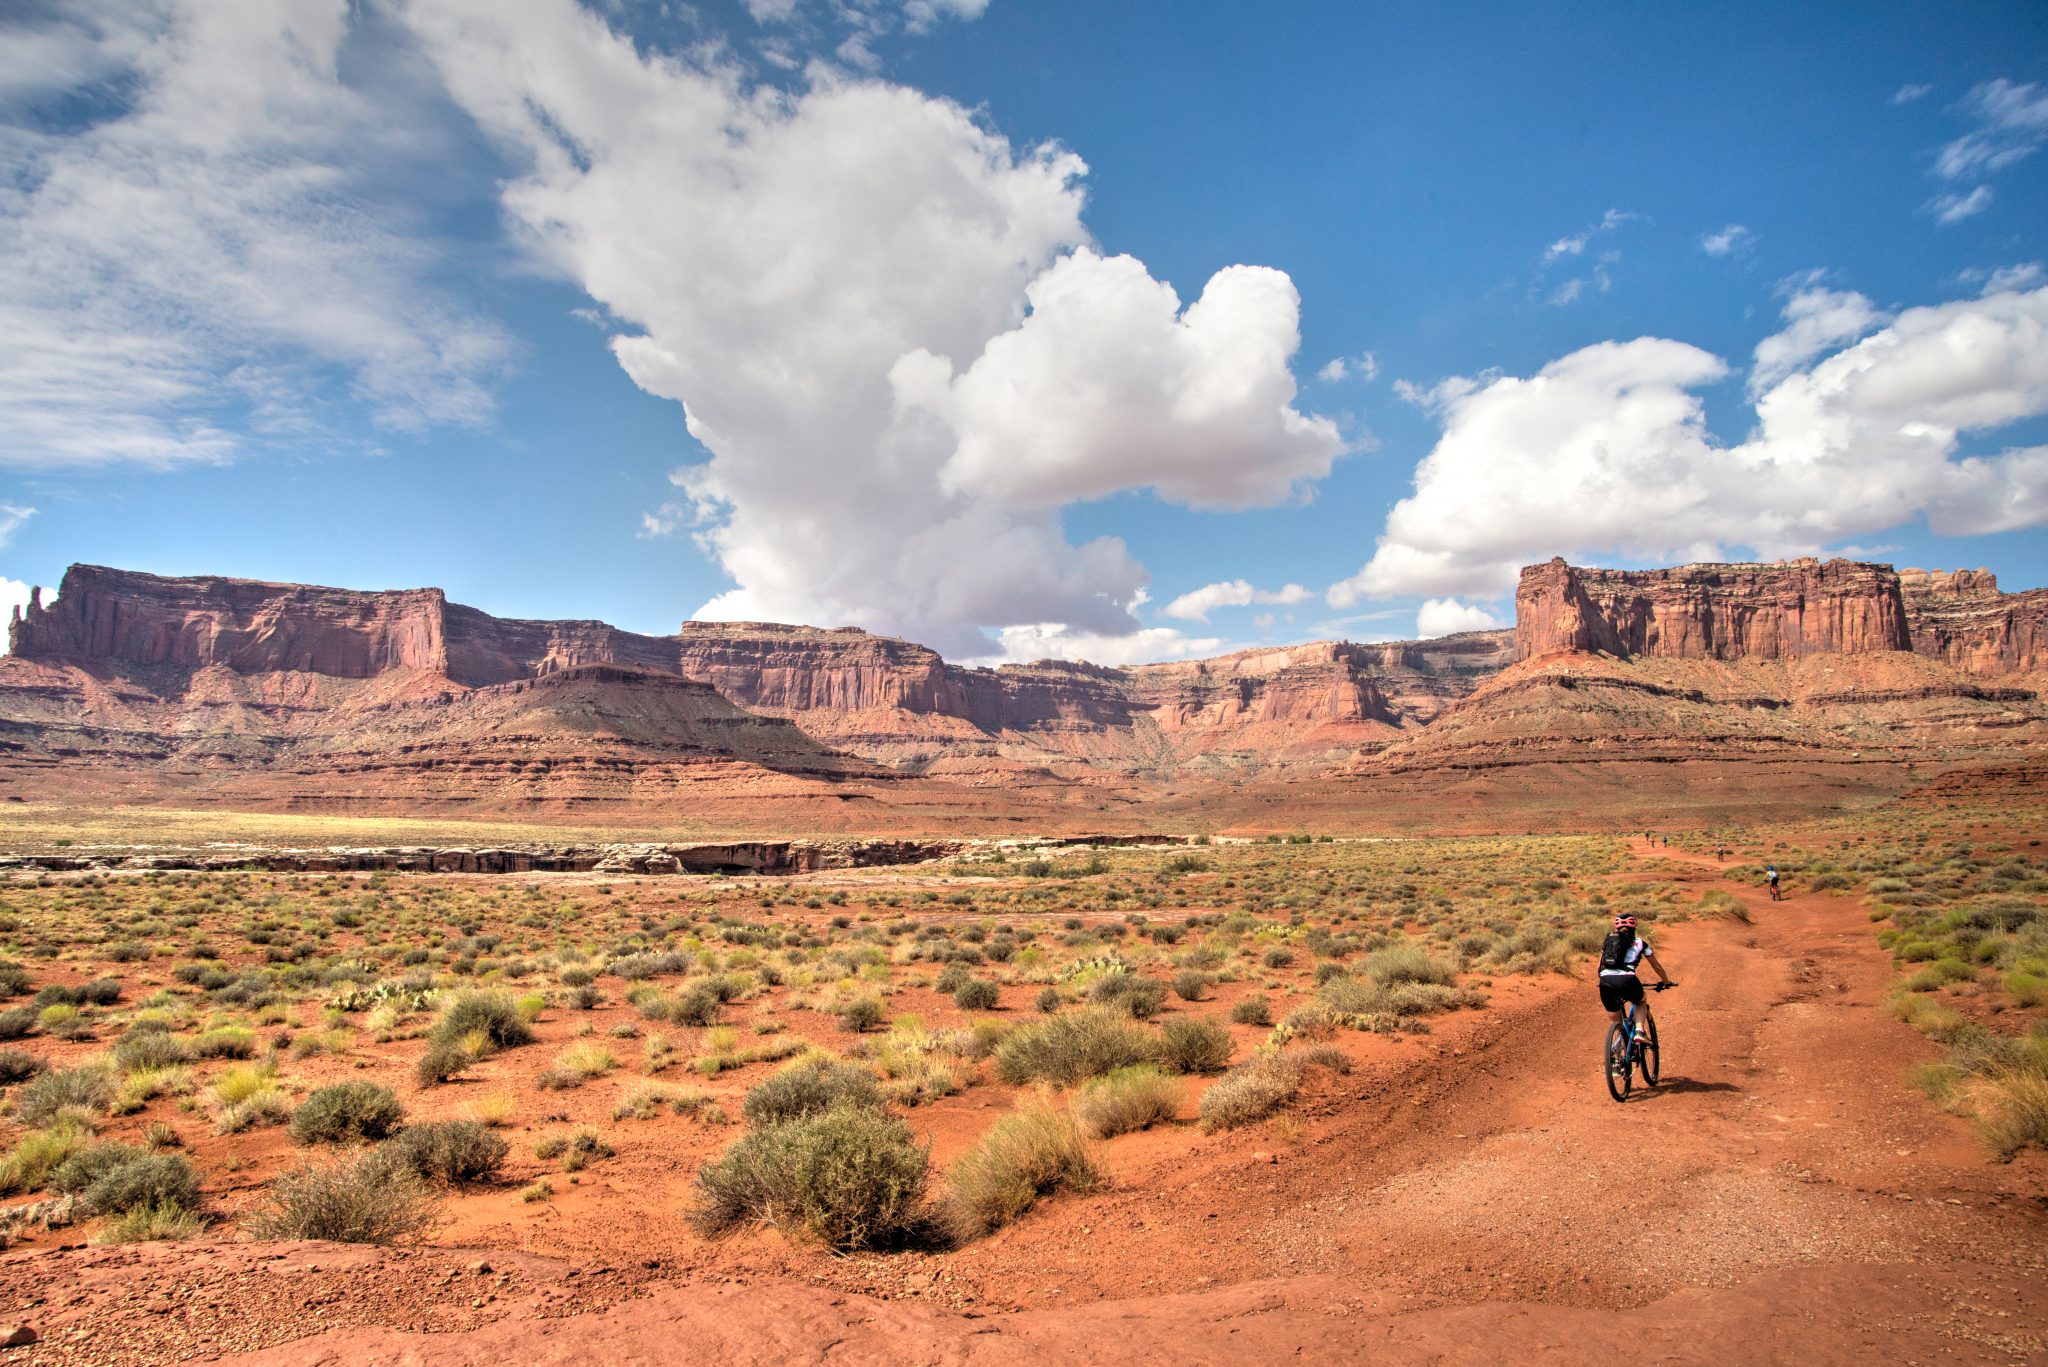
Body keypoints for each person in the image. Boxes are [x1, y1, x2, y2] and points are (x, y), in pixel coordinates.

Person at [1597, 912, 1672, 1041]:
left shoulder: (1608, 941)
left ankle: (1617, 1047)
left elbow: (1599, 966)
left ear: (1616, 927)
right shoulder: (1640, 943)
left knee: (1615, 1019)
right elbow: (1656, 966)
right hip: (1628, 980)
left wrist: (1603, 980)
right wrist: (1666, 981)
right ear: (1634, 926)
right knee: (1640, 1001)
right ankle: (1639, 1031)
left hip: (1606, 981)